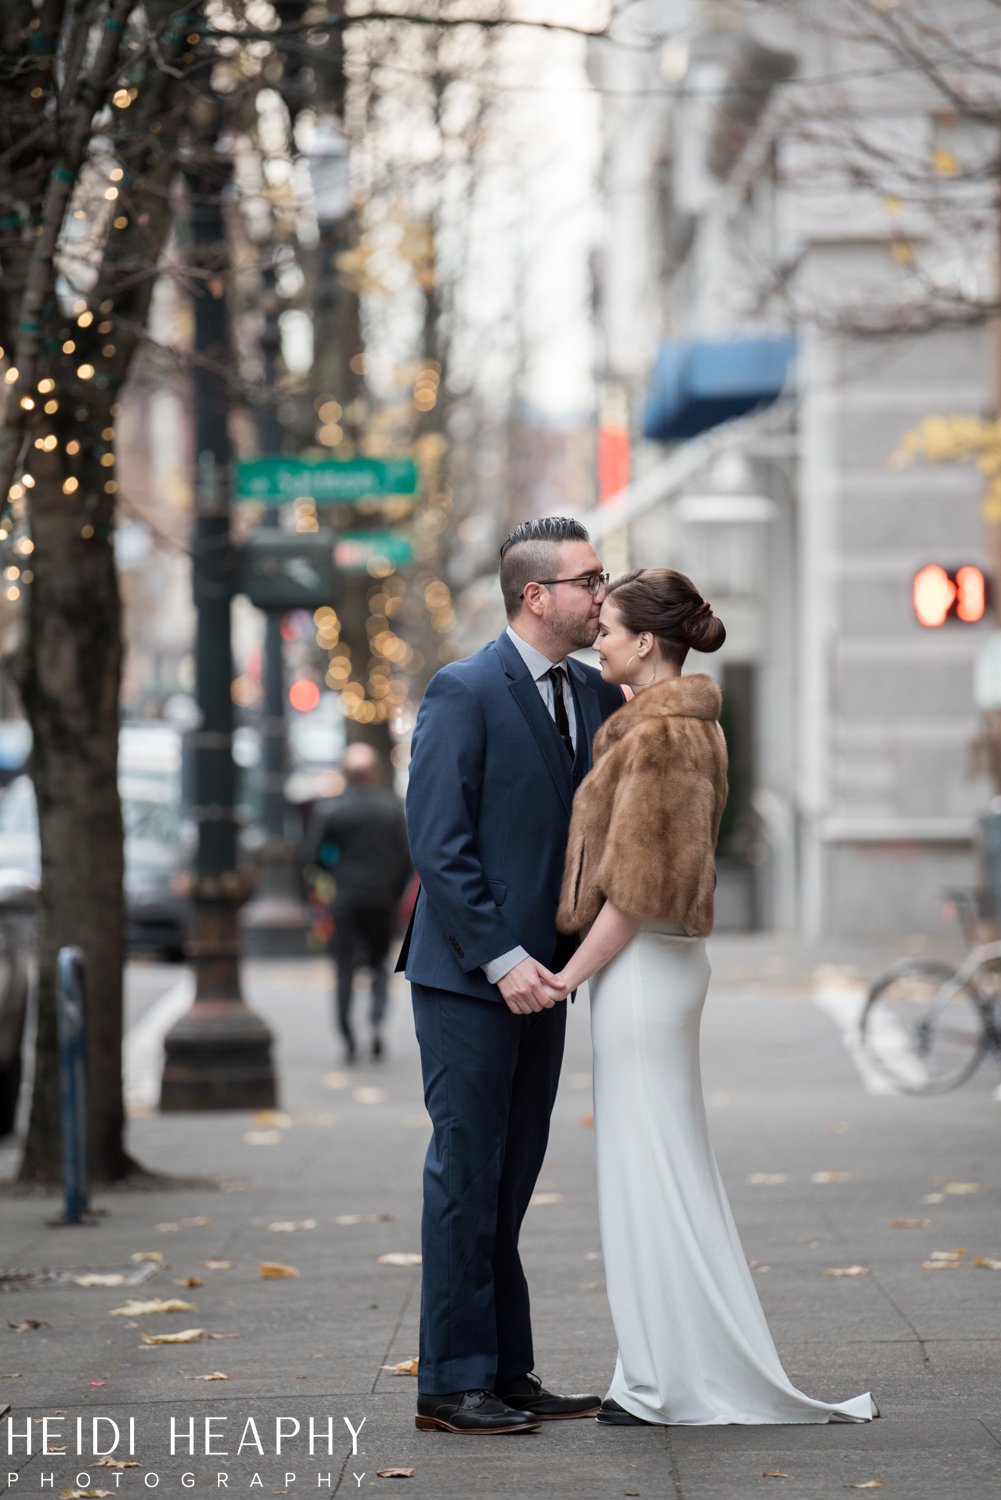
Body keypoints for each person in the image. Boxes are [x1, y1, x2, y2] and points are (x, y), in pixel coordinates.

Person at [550, 568, 878, 1428]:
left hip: (643, 966)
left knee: (649, 1171)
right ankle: (659, 1368)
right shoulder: (681, 726)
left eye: (609, 630)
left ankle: (666, 1378)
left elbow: (637, 888)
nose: (597, 640)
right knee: (656, 1170)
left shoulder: (662, 737)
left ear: (646, 643)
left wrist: (563, 977)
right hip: (654, 967)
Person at [399, 516, 624, 1435]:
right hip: (468, 982)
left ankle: (506, 1368)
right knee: (466, 1175)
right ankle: (449, 1385)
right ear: (537, 595)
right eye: (590, 580)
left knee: (513, 1177)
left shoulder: (592, 694)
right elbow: (439, 846)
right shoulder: (462, 690)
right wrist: (502, 961)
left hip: (551, 981)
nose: (601, 594)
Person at [308, 742, 412, 1063]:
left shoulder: (333, 810)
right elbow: (407, 859)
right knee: (379, 964)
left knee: (343, 968)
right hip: (381, 899)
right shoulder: (391, 809)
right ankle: (377, 1024)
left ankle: (348, 1038)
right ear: (375, 773)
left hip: (346, 897)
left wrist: (335, 872)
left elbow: (313, 856)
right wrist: (393, 892)